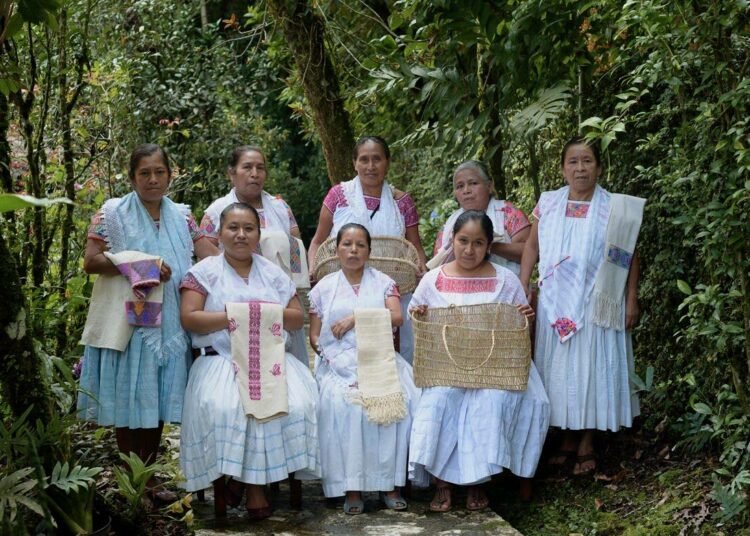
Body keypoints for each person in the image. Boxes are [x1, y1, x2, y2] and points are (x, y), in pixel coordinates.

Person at [78, 143, 217, 502]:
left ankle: (150, 478)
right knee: (130, 396)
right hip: (131, 318)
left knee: (155, 400)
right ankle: (130, 481)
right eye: (144, 173)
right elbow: (91, 261)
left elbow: (209, 257)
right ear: (132, 177)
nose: (153, 180)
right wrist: (143, 264)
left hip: (171, 316)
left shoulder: (183, 216)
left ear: (170, 175)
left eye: (159, 172)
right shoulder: (112, 213)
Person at [179, 203, 320, 520]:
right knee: (232, 406)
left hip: (270, 357)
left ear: (258, 235)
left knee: (297, 403)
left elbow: (296, 319)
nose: (241, 235)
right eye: (233, 228)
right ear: (219, 234)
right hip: (221, 359)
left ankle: (242, 480)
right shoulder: (202, 273)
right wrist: (237, 315)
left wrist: (258, 313)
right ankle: (252, 486)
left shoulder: (273, 274)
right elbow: (190, 318)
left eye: (249, 229)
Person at [519, 136, 645, 476]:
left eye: (587, 161)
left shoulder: (615, 208)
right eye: (573, 161)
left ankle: (588, 437)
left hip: (599, 301)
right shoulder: (547, 203)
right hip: (554, 303)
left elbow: (628, 256)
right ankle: (568, 435)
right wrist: (522, 284)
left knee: (591, 369)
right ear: (562, 168)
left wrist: (631, 298)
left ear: (599, 167)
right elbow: (532, 247)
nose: (580, 168)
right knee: (560, 372)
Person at [409, 210, 550, 511]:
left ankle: (476, 482)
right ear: (452, 240)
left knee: (490, 400)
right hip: (446, 365)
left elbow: (519, 330)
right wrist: (418, 315)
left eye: (478, 243)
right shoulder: (433, 280)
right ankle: (442, 483)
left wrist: (523, 317)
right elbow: (418, 322)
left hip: (496, 367)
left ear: (489, 246)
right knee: (440, 399)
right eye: (463, 241)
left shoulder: (506, 279)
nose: (469, 250)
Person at [309, 223, 420, 514]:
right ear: (337, 250)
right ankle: (352, 486)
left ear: (369, 251)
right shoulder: (324, 288)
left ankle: (389, 484)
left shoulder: (383, 281)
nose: (354, 250)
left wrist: (355, 319)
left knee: (400, 401)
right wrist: (331, 354)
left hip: (380, 356)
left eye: (360, 245)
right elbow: (314, 334)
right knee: (341, 404)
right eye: (347, 244)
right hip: (338, 361)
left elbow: (397, 317)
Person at [308, 136, 427, 363]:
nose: (370, 166)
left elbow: (416, 248)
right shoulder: (338, 196)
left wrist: (421, 270)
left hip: (393, 293)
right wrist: (313, 269)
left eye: (377, 159)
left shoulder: (402, 202)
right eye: (364, 160)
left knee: (393, 361)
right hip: (344, 290)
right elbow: (317, 241)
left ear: (387, 162)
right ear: (354, 163)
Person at [200, 145, 309, 365]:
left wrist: (288, 284)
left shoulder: (280, 207)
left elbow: (296, 244)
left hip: (280, 301)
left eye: (260, 168)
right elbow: (206, 254)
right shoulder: (216, 210)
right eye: (247, 167)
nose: (255, 173)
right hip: (236, 299)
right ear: (232, 173)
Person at [431, 160, 530, 275]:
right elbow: (438, 262)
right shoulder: (450, 223)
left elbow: (532, 252)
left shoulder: (508, 213)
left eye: (473, 183)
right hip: (459, 290)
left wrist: (489, 245)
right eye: (460, 186)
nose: (466, 190)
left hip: (505, 288)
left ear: (489, 185)